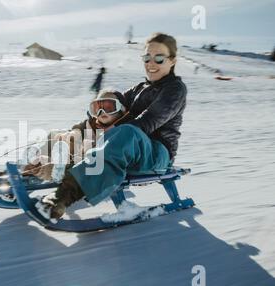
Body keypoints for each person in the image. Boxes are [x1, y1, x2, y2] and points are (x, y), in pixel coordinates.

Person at [37, 32, 188, 221]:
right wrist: (90, 123)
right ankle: (27, 172)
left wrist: (107, 134)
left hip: (156, 154)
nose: (151, 63)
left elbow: (148, 122)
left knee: (125, 132)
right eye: (147, 57)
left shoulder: (175, 89)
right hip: (127, 146)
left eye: (159, 58)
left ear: (172, 61)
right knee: (66, 133)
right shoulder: (139, 88)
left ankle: (62, 197)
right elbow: (113, 105)